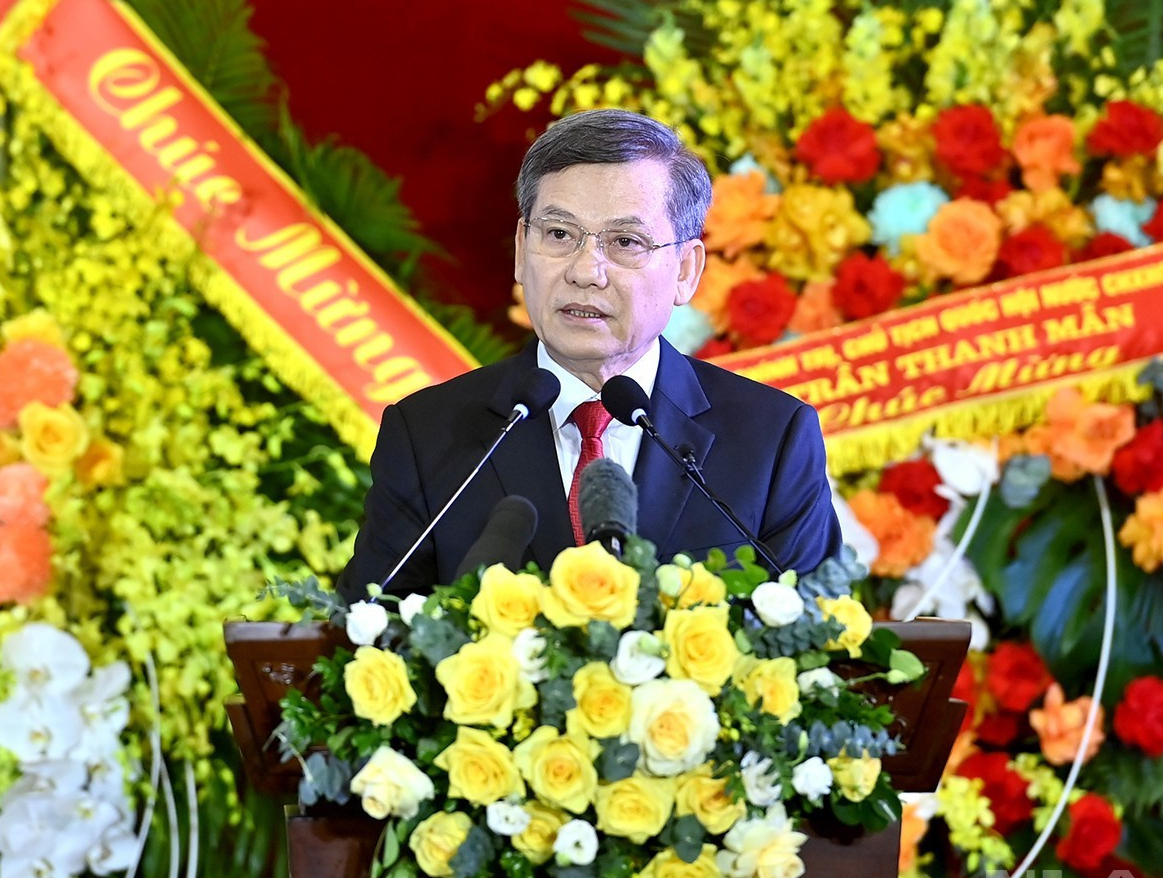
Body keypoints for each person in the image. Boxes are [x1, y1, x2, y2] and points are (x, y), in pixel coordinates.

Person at [336, 108, 841, 601]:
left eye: (625, 241)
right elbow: (367, 635)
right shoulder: (428, 435)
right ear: (520, 248)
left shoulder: (772, 439)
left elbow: (819, 646)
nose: (585, 271)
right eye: (559, 234)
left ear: (686, 270)